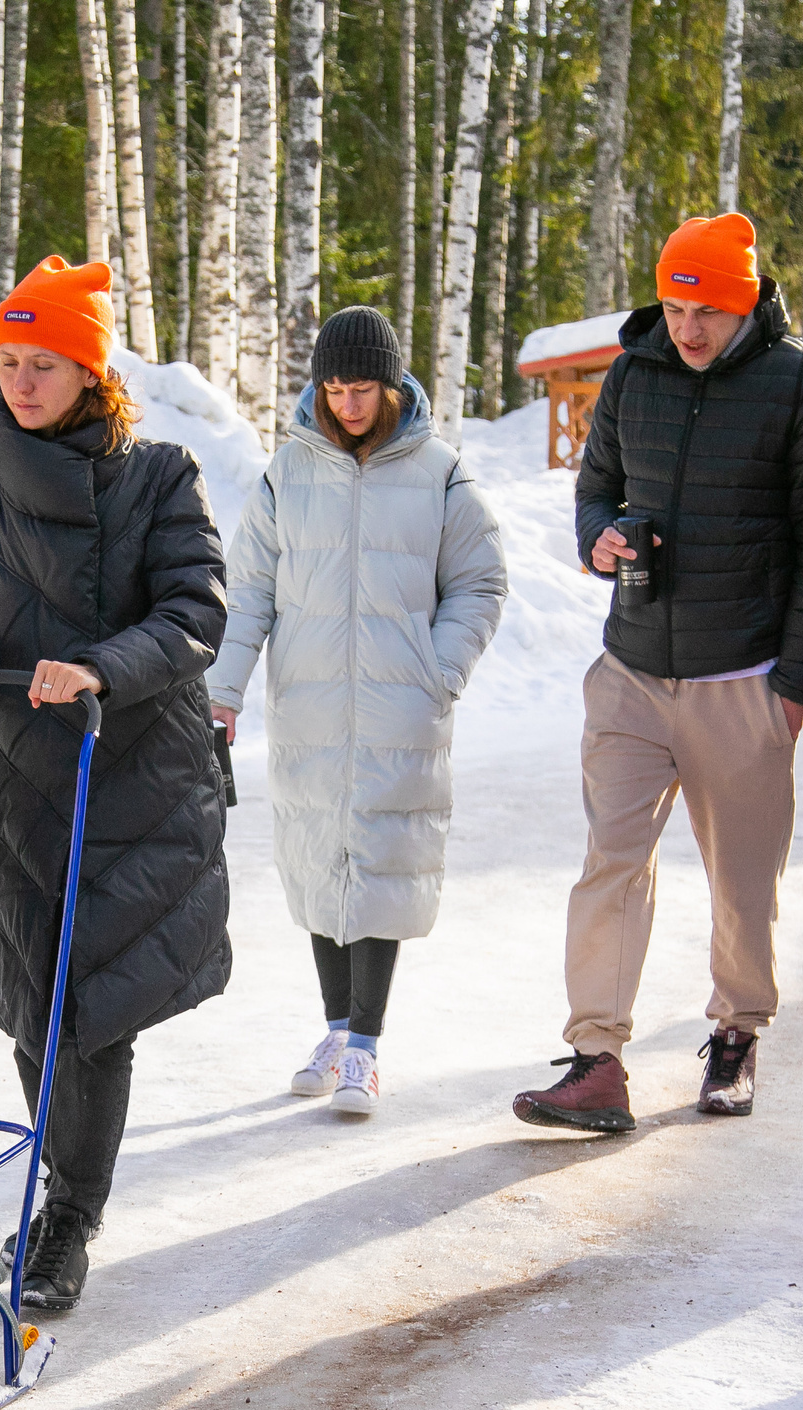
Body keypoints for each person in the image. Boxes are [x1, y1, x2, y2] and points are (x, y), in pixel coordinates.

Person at [0, 257, 229, 1311]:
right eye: (7, 362)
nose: (22, 382)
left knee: (98, 1013)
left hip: (134, 773)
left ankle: (66, 1221)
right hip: (23, 780)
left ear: (92, 372)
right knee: (32, 1008)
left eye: (44, 363)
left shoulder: (160, 476)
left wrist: (100, 664)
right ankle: (53, 1194)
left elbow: (194, 615)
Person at [513, 212, 803, 1132]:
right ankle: (596, 1058)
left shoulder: (802, 388)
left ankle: (738, 1033)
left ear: (743, 302)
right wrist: (601, 535)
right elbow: (595, 485)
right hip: (631, 666)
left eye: (705, 309)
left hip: (741, 677)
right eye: (673, 306)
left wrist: (796, 684)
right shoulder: (634, 374)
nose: (688, 327)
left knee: (741, 879)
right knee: (610, 864)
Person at [206, 306, 508, 1116]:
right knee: (319, 861)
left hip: (398, 706)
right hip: (308, 704)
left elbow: (481, 581)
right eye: (333, 388)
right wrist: (223, 692)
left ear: (392, 384)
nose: (346, 403)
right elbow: (251, 592)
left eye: (361, 387)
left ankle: (367, 1046)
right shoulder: (289, 471)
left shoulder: (439, 471)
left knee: (379, 861)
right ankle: (337, 1031)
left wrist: (436, 672)